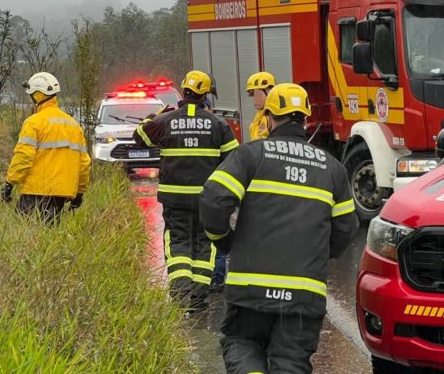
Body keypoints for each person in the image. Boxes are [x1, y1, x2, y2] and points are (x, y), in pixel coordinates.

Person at [199, 83, 359, 374]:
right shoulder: (332, 168)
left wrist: (223, 240)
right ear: (306, 119)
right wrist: (319, 252)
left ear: (269, 117)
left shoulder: (251, 155)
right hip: (304, 294)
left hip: (250, 290)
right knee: (291, 363)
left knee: (242, 344)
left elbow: (213, 200)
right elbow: (347, 229)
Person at [133, 69, 239, 314]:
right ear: (205, 96)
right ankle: (199, 298)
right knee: (204, 245)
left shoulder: (165, 121)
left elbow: (139, 137)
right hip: (206, 200)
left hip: (175, 200)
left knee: (178, 242)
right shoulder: (218, 124)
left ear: (184, 91)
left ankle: (181, 293)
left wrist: (156, 116)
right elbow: (233, 161)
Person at [2, 72, 91, 225]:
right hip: (61, 196)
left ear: (37, 96)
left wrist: (10, 183)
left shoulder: (33, 123)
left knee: (23, 235)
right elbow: (84, 164)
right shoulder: (74, 125)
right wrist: (80, 192)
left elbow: (23, 157)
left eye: (31, 95)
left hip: (34, 193)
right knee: (50, 236)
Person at [246, 71, 276, 141]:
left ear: (268, 92)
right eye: (253, 95)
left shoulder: (275, 117)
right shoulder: (260, 114)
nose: (255, 100)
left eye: (256, 93)